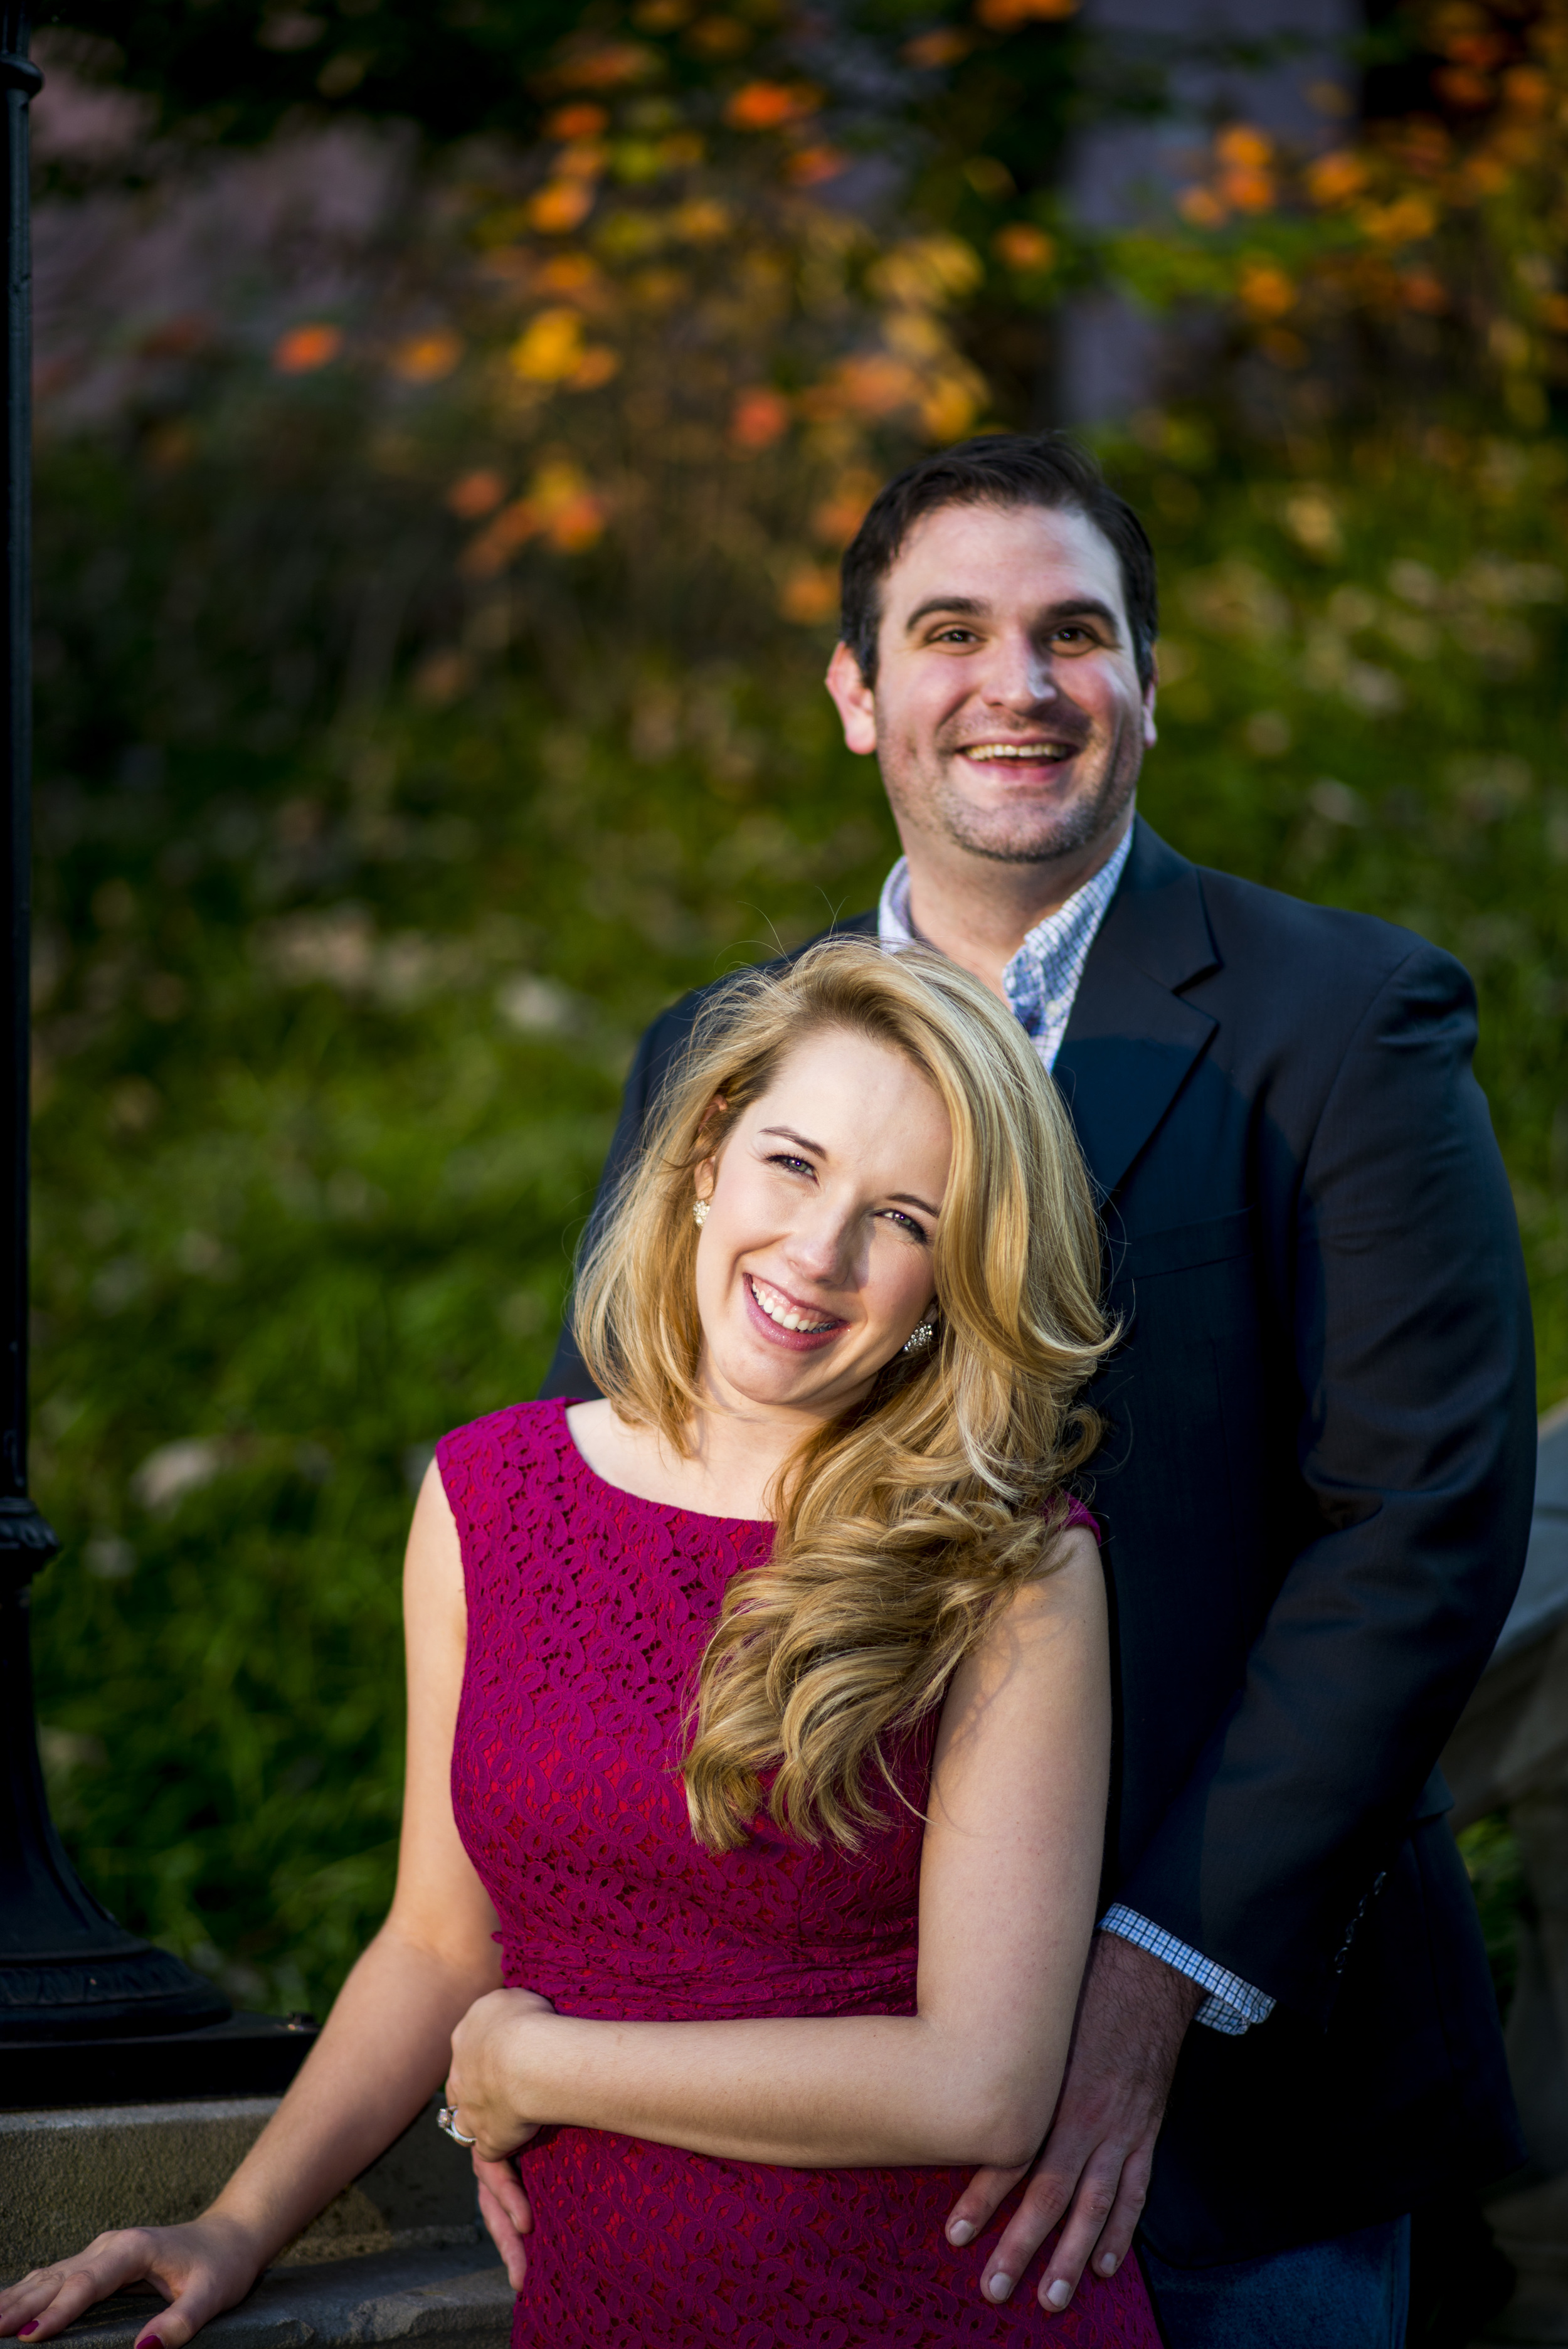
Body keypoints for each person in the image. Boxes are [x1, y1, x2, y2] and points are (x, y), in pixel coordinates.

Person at [538, 432, 1538, 2345]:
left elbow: (1418, 1530)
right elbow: (614, 1524)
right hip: (785, 2086)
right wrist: (579, 2016)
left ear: (1146, 685)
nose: (1017, 685)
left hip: (1230, 2113)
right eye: (949, 633)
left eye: (1073, 632)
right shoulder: (714, 1053)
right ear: (856, 695)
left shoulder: (1348, 1022)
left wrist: (1151, 1972)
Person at [0, 939, 1164, 2348]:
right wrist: (235, 2226)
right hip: (609, 2306)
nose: (818, 1250)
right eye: (792, 1164)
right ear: (702, 1163)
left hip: (923, 2304)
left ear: (951, 1280)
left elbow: (978, 2083)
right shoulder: (487, 1495)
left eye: (903, 1217)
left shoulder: (1016, 1563)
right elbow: (437, 1939)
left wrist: (541, 2063)